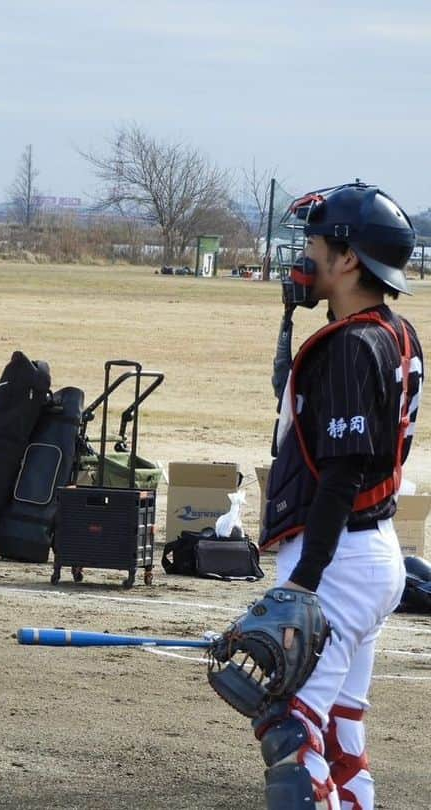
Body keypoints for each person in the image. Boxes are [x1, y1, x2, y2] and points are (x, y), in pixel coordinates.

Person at [209, 183, 422, 809]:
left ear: (349, 258)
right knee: (336, 725)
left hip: (340, 563)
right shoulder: (392, 329)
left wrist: (304, 581)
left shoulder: (352, 347)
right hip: (369, 551)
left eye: (316, 242)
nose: (304, 254)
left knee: (291, 728)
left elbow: (344, 471)